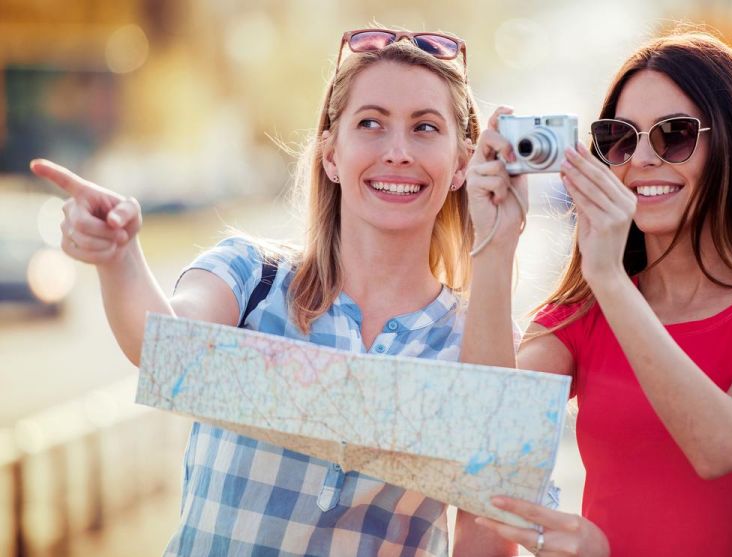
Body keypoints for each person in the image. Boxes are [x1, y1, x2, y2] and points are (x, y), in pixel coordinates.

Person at [31, 28, 512, 557]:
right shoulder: (250, 276)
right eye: (370, 123)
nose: (397, 152)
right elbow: (164, 349)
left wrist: (495, 243)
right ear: (331, 153)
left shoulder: (482, 339)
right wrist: (119, 258)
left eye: (425, 127)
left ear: (462, 163)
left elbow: (487, 535)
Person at [461, 31, 732, 556]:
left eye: (673, 136)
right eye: (621, 139)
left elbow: (722, 443)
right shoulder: (584, 314)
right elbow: (488, 436)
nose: (643, 158)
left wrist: (608, 276)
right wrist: (493, 243)